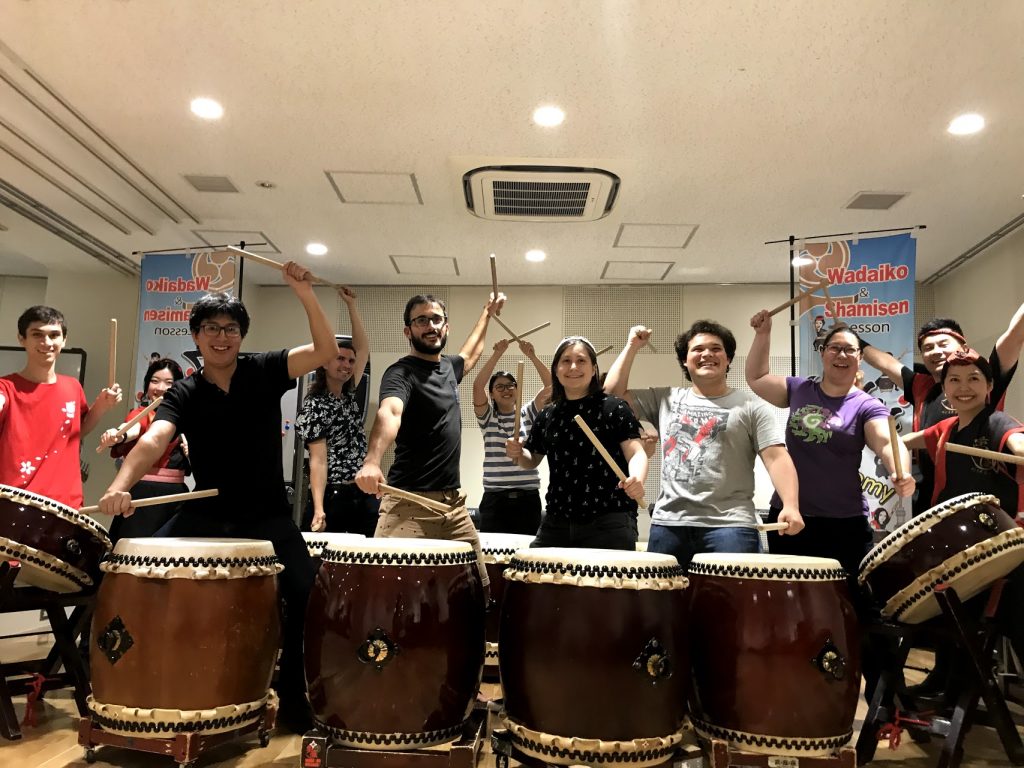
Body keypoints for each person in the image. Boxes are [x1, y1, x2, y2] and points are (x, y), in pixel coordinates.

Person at [97, 261, 337, 733]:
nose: (221, 337)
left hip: (267, 514)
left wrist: (305, 293)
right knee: (142, 574)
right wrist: (118, 487)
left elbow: (326, 350)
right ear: (196, 335)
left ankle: (294, 701)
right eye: (211, 328)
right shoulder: (185, 392)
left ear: (242, 336)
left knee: (308, 593)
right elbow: (154, 439)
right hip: (208, 511)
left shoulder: (265, 369)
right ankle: (146, 688)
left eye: (230, 329)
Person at [604, 321, 803, 569]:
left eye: (716, 349)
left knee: (731, 596)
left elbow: (776, 458)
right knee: (665, 595)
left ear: (728, 359)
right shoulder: (666, 398)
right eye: (697, 349)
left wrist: (791, 505)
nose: (707, 354)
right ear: (685, 361)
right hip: (669, 524)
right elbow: (611, 397)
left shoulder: (752, 406)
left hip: (731, 527)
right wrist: (632, 346)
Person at [745, 312, 915, 583]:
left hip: (844, 523)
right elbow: (756, 378)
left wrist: (901, 471)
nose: (842, 355)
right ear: (823, 353)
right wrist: (763, 334)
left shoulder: (866, 406)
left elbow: (886, 442)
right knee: (791, 597)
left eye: (850, 350)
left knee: (844, 599)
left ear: (860, 357)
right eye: (835, 348)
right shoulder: (799, 389)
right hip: (790, 516)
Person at [355, 291, 506, 591]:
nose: (430, 326)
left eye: (436, 319)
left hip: (453, 507)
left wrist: (487, 313)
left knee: (477, 591)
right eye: (421, 320)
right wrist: (372, 461)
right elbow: (390, 412)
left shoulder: (448, 367)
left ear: (446, 327)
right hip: (408, 504)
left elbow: (470, 354)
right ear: (408, 331)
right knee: (393, 596)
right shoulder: (401, 373)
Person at [862, 300, 1024, 515]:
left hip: (987, 508)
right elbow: (885, 363)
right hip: (936, 501)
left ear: (989, 385)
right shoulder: (936, 411)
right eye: (928, 348)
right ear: (945, 389)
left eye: (943, 344)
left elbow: (1014, 335)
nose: (963, 388)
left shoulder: (995, 414)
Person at [505, 336, 647, 550]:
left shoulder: (614, 408)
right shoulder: (548, 414)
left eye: (581, 361)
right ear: (556, 369)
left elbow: (636, 452)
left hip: (609, 520)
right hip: (557, 520)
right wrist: (518, 452)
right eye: (566, 361)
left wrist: (637, 478)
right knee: (531, 569)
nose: (573, 367)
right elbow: (531, 459)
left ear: (593, 369)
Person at [0, 305, 122, 507]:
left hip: (65, 505)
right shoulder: (6, 387)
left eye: (54, 335)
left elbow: (76, 432)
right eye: (37, 334)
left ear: (64, 340)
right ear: (22, 339)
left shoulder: (72, 387)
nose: (46, 342)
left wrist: (101, 406)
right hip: (14, 503)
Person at [295, 287, 377, 536]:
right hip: (334, 494)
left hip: (361, 493)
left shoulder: (349, 395)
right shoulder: (315, 404)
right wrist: (319, 509)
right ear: (324, 362)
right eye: (340, 359)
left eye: (350, 361)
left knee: (368, 554)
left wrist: (351, 306)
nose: (347, 365)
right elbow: (318, 461)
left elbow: (363, 350)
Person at [98, 358, 189, 543]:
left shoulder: (187, 421)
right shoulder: (142, 413)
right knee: (133, 551)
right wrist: (117, 435)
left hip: (174, 497)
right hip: (141, 494)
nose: (161, 388)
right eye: (155, 381)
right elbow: (132, 429)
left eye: (169, 383)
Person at [471, 337, 551, 535]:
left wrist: (532, 356)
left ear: (517, 389)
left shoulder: (529, 413)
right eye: (499, 387)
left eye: (510, 385)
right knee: (493, 551)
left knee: (526, 551)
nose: (506, 389)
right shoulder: (488, 417)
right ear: (492, 394)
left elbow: (553, 387)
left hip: (528, 498)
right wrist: (497, 353)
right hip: (495, 499)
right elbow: (477, 386)